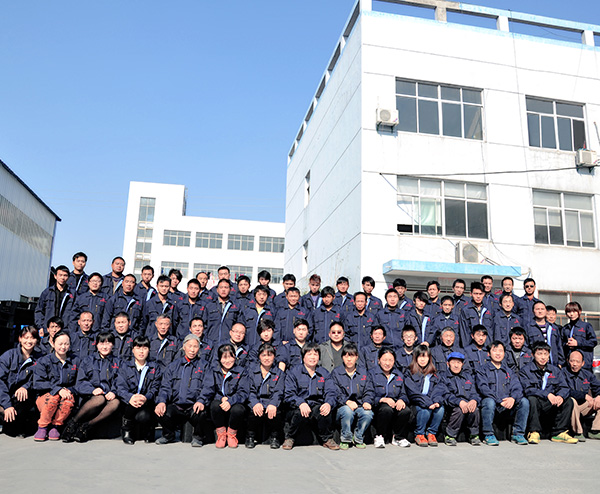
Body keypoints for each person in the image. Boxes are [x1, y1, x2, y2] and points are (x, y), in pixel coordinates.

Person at [62, 332, 120, 443]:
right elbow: (80, 382)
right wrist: (92, 390)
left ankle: (86, 427)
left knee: (115, 403)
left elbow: (121, 381)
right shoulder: (88, 361)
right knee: (99, 399)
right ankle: (72, 424)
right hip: (90, 397)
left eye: (108, 343)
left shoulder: (118, 362)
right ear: (96, 345)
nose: (104, 346)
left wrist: (114, 391)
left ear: (113, 345)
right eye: (101, 343)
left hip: (109, 396)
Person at [282, 343, 339, 450]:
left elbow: (331, 392)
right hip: (297, 407)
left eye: (315, 354)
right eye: (309, 354)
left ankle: (327, 439)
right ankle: (290, 437)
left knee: (324, 410)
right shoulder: (294, 372)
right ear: (303, 357)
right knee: (299, 413)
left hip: (315, 406)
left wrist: (328, 403)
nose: (312, 357)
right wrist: (300, 403)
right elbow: (289, 394)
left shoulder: (324, 373)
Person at [155, 334, 208, 447]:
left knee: (202, 413)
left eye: (195, 346)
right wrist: (161, 401)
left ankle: (198, 437)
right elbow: (165, 387)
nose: (192, 350)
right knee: (160, 411)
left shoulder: (204, 366)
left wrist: (201, 401)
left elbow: (207, 387)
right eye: (190, 346)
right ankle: (168, 435)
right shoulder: (173, 366)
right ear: (184, 347)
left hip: (193, 406)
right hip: (177, 406)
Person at [520, 342, 577, 444]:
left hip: (551, 403)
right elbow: (527, 389)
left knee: (568, 401)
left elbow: (564, 387)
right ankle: (534, 432)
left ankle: (559, 433)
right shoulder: (526, 370)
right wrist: (547, 394)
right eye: (539, 354)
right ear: (533, 355)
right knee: (531, 399)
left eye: (546, 354)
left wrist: (560, 396)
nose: (543, 357)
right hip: (537, 402)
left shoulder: (555, 370)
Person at [475, 340, 529, 446]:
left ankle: (518, 434)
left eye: (501, 351)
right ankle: (488, 434)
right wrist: (499, 400)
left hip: (507, 405)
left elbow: (517, 388)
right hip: (493, 404)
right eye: (495, 351)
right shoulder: (482, 370)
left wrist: (513, 398)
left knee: (524, 401)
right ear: (489, 353)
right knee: (489, 401)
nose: (498, 353)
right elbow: (483, 388)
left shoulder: (509, 371)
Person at [197, 343, 249, 448]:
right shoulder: (213, 371)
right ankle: (221, 434)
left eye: (230, 357)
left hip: (234, 402)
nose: (228, 360)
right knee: (214, 405)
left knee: (238, 409)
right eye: (224, 357)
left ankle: (231, 434)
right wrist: (203, 400)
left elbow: (243, 392)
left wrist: (230, 401)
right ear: (219, 359)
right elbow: (208, 389)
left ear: (235, 357)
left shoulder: (241, 371)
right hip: (220, 402)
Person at [32, 331, 79, 441]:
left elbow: (79, 382)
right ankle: (43, 426)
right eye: (60, 344)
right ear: (53, 344)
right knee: (54, 398)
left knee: (68, 400)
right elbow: (38, 383)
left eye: (66, 344)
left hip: (65, 395)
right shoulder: (44, 361)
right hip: (46, 396)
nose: (63, 347)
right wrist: (58, 390)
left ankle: (55, 426)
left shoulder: (75, 361)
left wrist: (68, 390)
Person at [116, 335, 162, 444]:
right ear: (133, 350)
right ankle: (127, 429)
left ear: (149, 350)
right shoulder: (125, 367)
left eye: (145, 348)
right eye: (138, 348)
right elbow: (120, 387)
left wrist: (145, 397)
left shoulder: (154, 367)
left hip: (147, 402)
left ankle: (148, 430)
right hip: (129, 403)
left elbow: (155, 387)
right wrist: (131, 397)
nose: (141, 351)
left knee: (145, 415)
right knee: (129, 406)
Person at [331, 343, 374, 449]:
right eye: (346, 356)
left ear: (357, 357)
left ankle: (358, 437)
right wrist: (347, 401)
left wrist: (367, 401)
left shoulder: (363, 372)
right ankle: (345, 438)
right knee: (347, 411)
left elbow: (369, 390)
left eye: (352, 356)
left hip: (360, 405)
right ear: (342, 357)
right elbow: (335, 392)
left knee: (368, 413)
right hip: (342, 406)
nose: (349, 359)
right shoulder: (336, 373)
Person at [0, 326, 41, 437]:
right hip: (4, 396)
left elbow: (38, 379)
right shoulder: (8, 356)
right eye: (26, 338)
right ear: (20, 339)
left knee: (14, 430)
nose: (29, 341)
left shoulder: (40, 359)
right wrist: (7, 405)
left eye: (32, 338)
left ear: (36, 340)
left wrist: (25, 387)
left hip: (22, 399)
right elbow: (0, 381)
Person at [404, 345, 446, 447]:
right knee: (424, 410)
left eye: (426, 356)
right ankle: (420, 434)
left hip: (431, 401)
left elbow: (439, 388)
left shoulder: (434, 373)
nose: (423, 359)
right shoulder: (409, 372)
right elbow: (413, 392)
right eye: (420, 356)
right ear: (416, 357)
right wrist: (428, 403)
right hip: (416, 403)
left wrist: (436, 401)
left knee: (440, 409)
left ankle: (431, 433)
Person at [370, 347, 411, 448]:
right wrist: (382, 399)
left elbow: (404, 393)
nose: (387, 363)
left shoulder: (399, 375)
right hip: (378, 405)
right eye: (384, 360)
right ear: (379, 360)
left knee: (405, 410)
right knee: (386, 409)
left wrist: (401, 400)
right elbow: (369, 394)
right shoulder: (372, 374)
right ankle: (380, 436)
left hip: (394, 404)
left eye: (390, 360)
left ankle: (398, 437)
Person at [246, 343, 285, 449]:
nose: (266, 358)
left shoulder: (279, 373)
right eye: (263, 355)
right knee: (252, 411)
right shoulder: (251, 372)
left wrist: (273, 404)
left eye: (270, 355)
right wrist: (255, 403)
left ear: (274, 357)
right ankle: (250, 436)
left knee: (276, 412)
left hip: (271, 401)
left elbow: (279, 392)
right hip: (256, 401)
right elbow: (250, 391)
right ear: (259, 357)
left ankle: (275, 437)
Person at [442, 352, 481, 446]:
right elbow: (445, 395)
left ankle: (473, 435)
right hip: (452, 406)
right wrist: (459, 402)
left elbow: (475, 392)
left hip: (467, 403)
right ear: (448, 364)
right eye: (453, 362)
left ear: (462, 364)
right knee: (459, 410)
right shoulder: (444, 377)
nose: (456, 365)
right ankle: (450, 435)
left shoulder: (468, 376)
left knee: (475, 409)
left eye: (459, 363)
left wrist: (474, 400)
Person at [564, 349, 600, 441]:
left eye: (577, 361)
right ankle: (578, 432)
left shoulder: (587, 374)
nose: (574, 364)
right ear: (568, 361)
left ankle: (595, 431)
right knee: (571, 401)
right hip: (568, 408)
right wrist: (584, 395)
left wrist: (598, 396)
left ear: (583, 363)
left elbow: (598, 387)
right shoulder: (562, 373)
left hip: (584, 407)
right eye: (572, 361)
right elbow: (565, 391)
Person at [34, 265, 74, 334]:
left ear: (68, 277)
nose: (62, 278)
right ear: (55, 276)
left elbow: (75, 313)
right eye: (60, 275)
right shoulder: (47, 292)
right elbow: (39, 310)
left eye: (65, 275)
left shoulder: (72, 294)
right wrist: (41, 326)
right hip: (48, 330)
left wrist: (71, 328)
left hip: (65, 330)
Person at [525, 301, 564, 367]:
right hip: (535, 365)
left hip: (553, 364)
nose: (540, 311)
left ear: (546, 311)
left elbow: (559, 346)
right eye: (537, 309)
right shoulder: (528, 327)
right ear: (533, 311)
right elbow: (526, 347)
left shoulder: (553, 328)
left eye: (542, 309)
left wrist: (560, 363)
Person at [203, 278, 241, 344]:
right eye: (221, 287)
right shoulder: (209, 306)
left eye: (226, 287)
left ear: (230, 289)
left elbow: (239, 325)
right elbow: (204, 325)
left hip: (229, 343)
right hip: (211, 343)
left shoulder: (236, 306)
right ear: (217, 290)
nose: (223, 290)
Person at [562, 302, 597, 371]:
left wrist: (578, 343)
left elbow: (593, 342)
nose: (571, 314)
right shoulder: (565, 328)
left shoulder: (586, 326)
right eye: (569, 312)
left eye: (574, 311)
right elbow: (561, 344)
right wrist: (567, 345)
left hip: (584, 365)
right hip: (569, 365)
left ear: (579, 311)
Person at [458, 282, 493, 348]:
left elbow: (492, 330)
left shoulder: (489, 309)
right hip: (471, 347)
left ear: (484, 294)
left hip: (487, 347)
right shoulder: (465, 310)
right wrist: (467, 348)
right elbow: (464, 331)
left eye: (480, 294)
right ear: (471, 294)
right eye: (475, 294)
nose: (478, 296)